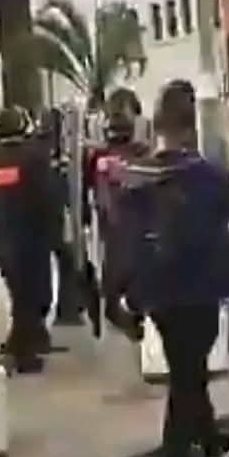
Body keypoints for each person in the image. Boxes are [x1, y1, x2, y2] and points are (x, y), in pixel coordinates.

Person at [117, 80, 229, 457]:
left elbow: (124, 238)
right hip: (198, 286)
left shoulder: (137, 178)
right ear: (192, 127)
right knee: (188, 375)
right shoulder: (208, 176)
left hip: (156, 289)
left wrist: (121, 294)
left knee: (185, 364)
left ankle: (210, 441)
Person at [0, 106, 56, 374]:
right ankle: (23, 355)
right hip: (26, 233)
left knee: (18, 291)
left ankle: (20, 341)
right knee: (29, 294)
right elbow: (45, 196)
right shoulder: (33, 156)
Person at [85, 88, 149, 338]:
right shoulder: (141, 154)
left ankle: (131, 322)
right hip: (126, 233)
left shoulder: (101, 157)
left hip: (119, 233)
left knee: (118, 283)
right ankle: (132, 323)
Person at [35, 107, 83, 327]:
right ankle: (67, 310)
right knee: (66, 258)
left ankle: (50, 311)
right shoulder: (55, 151)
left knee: (47, 263)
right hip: (52, 214)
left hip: (38, 216)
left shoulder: (33, 147)